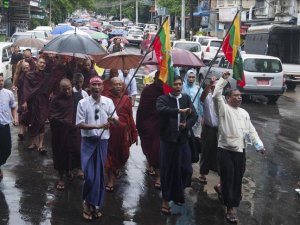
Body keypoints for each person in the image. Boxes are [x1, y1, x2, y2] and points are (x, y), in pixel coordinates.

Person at [212, 71, 266, 223]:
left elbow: (251, 131)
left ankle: (221, 189)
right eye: (235, 95)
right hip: (225, 150)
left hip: (240, 151)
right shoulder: (223, 109)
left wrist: (259, 145)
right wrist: (223, 79)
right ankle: (230, 208)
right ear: (228, 98)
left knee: (237, 178)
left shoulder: (244, 112)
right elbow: (216, 95)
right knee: (229, 178)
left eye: (240, 95)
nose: (239, 97)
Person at [76, 76, 119, 220]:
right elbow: (79, 124)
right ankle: (87, 203)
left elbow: (117, 122)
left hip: (102, 142)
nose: (96, 87)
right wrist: (98, 126)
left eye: (99, 85)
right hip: (88, 141)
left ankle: (92, 205)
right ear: (90, 87)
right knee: (89, 176)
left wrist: (113, 120)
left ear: (102, 87)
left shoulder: (109, 102)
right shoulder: (82, 103)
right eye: (94, 84)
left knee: (99, 176)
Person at [156, 75, 197, 214]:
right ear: (170, 86)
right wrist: (179, 111)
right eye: (175, 84)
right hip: (168, 141)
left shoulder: (186, 98)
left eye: (180, 84)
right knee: (167, 171)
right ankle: (166, 200)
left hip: (183, 140)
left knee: (187, 170)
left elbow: (194, 115)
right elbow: (161, 110)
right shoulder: (163, 99)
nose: (178, 87)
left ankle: (178, 193)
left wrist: (186, 125)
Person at [104, 77, 137, 191]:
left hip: (123, 132)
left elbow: (130, 116)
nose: (118, 86)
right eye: (115, 84)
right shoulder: (105, 99)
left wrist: (134, 131)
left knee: (124, 154)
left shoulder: (126, 99)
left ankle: (116, 167)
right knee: (109, 155)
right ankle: (110, 180)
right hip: (110, 131)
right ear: (110, 86)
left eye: (120, 84)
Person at [49, 79, 81, 190]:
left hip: (73, 131)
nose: (67, 91)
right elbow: (52, 116)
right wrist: (64, 122)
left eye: (69, 88)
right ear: (60, 89)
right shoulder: (55, 99)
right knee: (60, 154)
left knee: (75, 151)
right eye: (64, 89)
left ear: (72, 86)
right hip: (60, 132)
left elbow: (82, 110)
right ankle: (61, 178)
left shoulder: (77, 97)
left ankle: (69, 171)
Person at [136, 71, 163, 188]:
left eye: (163, 79)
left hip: (161, 125)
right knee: (149, 147)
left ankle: (159, 176)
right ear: (155, 78)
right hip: (148, 123)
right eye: (159, 79)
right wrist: (139, 125)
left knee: (158, 149)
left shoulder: (167, 91)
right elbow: (142, 109)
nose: (161, 82)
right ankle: (150, 162)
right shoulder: (148, 90)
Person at [22, 57, 50, 153]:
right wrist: (25, 101)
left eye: (44, 63)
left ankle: (41, 144)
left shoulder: (46, 76)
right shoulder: (29, 75)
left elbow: (48, 89)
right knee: (32, 122)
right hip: (32, 102)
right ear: (36, 63)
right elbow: (26, 88)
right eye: (41, 62)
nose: (42, 64)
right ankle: (33, 142)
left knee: (41, 122)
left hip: (43, 102)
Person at [198, 76, 218, 184]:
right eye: (214, 87)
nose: (215, 89)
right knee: (206, 151)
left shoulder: (223, 99)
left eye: (217, 87)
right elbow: (201, 97)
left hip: (219, 130)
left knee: (218, 152)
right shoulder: (207, 96)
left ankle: (220, 175)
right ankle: (202, 173)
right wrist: (210, 84)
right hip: (208, 128)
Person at [0, 73, 17, 182]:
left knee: (7, 149)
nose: (1, 83)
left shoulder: (8, 93)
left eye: (1, 80)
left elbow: (13, 106)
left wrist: (15, 118)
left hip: (5, 126)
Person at [182, 69, 203, 138]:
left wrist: (201, 116)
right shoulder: (182, 87)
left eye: (193, 77)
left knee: (195, 137)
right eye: (189, 77)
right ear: (186, 77)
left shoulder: (198, 89)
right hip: (184, 115)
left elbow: (201, 103)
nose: (191, 79)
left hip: (195, 114)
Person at [15, 62, 30, 140]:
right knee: (22, 113)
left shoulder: (30, 75)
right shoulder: (21, 76)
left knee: (25, 114)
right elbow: (20, 87)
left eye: (27, 66)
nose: (26, 68)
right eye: (24, 67)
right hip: (22, 97)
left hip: (27, 98)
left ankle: (24, 131)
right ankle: (22, 131)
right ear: (22, 68)